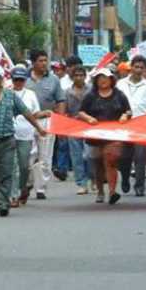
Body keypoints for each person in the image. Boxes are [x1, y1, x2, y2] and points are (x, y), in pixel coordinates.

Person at [0, 65, 47, 217]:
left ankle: (3, 204)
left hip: (6, 140)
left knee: (6, 173)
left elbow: (26, 112)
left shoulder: (10, 96)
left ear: (1, 79)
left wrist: (38, 127)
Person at [77, 68, 132, 205]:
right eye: (100, 78)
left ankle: (112, 191)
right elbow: (81, 112)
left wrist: (125, 116)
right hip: (95, 135)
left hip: (114, 135)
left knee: (111, 159)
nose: (103, 80)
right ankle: (101, 191)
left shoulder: (119, 95)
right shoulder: (91, 96)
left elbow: (128, 110)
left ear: (111, 80)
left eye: (106, 77)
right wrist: (88, 118)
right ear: (96, 80)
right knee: (98, 163)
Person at [25, 49, 66, 200]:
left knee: (45, 156)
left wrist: (60, 122)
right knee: (28, 155)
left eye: (45, 60)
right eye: (40, 61)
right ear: (33, 62)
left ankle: (41, 188)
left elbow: (60, 100)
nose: (44, 63)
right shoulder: (24, 78)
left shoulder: (53, 79)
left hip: (47, 120)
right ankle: (27, 183)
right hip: (27, 121)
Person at [117, 55, 146, 197]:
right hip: (124, 123)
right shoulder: (120, 84)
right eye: (136, 67)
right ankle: (124, 178)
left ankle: (140, 186)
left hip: (141, 124)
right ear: (131, 67)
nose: (139, 70)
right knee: (124, 157)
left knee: (140, 157)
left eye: (142, 67)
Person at [10, 66, 47, 208]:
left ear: (25, 80)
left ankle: (23, 187)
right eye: (16, 79)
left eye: (21, 79)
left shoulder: (30, 94)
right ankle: (14, 195)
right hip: (9, 134)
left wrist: (42, 121)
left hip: (26, 134)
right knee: (11, 166)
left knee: (24, 166)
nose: (18, 82)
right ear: (12, 80)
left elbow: (35, 113)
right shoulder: (6, 92)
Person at [64, 66, 91, 195]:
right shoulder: (67, 92)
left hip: (89, 126)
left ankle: (94, 179)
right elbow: (64, 110)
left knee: (89, 155)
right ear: (72, 77)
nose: (79, 78)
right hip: (73, 126)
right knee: (76, 156)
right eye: (76, 75)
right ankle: (81, 183)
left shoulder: (91, 90)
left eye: (81, 75)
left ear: (85, 76)